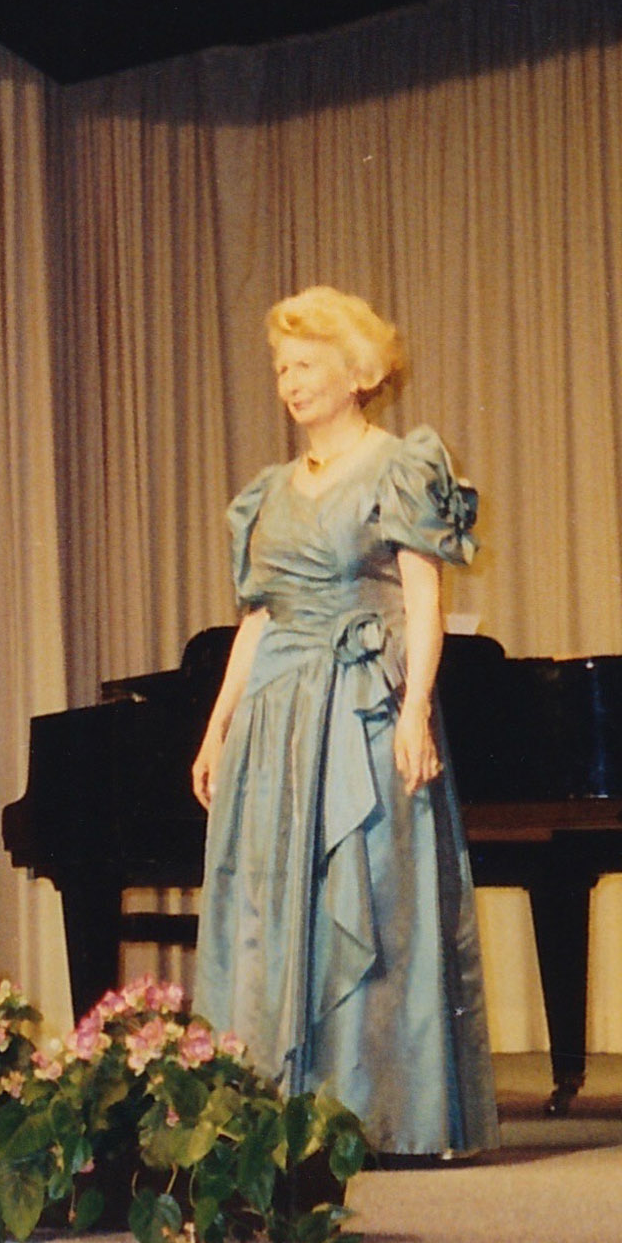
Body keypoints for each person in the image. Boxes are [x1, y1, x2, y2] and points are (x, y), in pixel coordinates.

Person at [190, 286, 499, 1158]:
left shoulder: (400, 464)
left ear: (357, 372)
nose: (290, 381)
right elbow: (258, 617)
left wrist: (416, 709)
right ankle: (269, 1105)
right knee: (267, 902)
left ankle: (374, 1110)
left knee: (371, 897)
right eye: (282, 367)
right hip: (275, 718)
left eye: (306, 364)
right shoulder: (267, 493)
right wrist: (217, 725)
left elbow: (424, 598)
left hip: (361, 705)